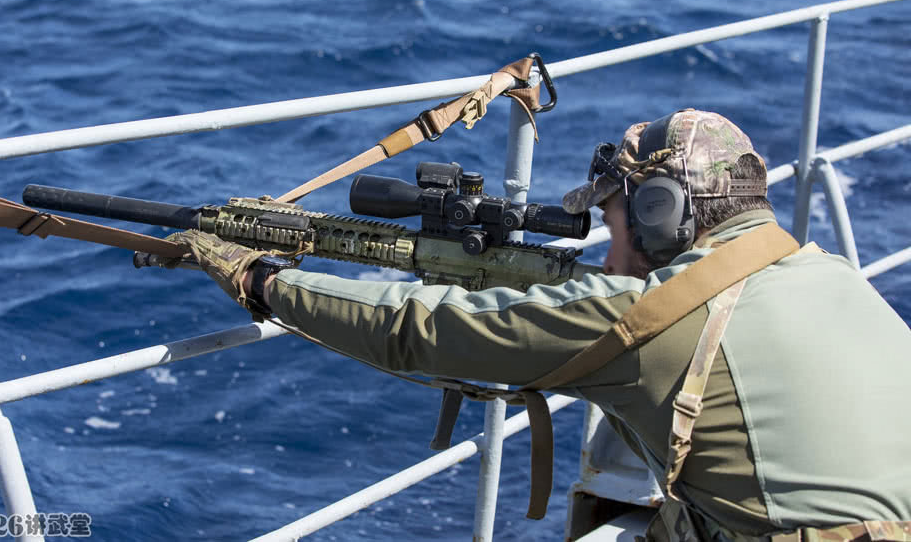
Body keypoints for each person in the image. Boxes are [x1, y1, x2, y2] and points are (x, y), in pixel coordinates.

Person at [169, 109, 911, 542]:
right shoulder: (828, 274)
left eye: (612, 217)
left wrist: (261, 277)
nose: (604, 243)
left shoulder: (651, 321)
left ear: (659, 216)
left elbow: (415, 329)